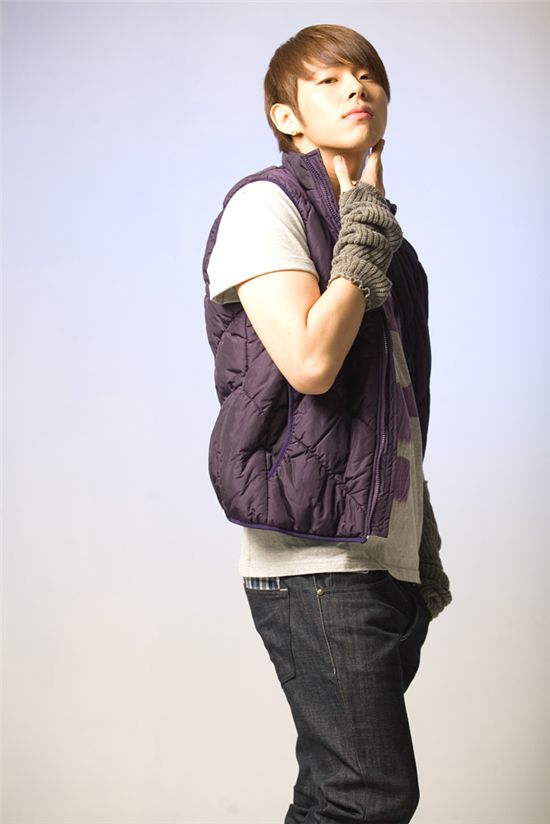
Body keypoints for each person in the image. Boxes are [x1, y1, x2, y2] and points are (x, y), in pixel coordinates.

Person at [202, 23, 452, 824]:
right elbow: (311, 360)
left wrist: (417, 545)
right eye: (330, 79)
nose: (356, 88)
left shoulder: (388, 244)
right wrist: (363, 230)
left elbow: (393, 407)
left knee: (332, 796)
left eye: (367, 76)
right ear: (286, 116)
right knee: (366, 797)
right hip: (315, 560)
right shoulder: (264, 205)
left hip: (386, 556)